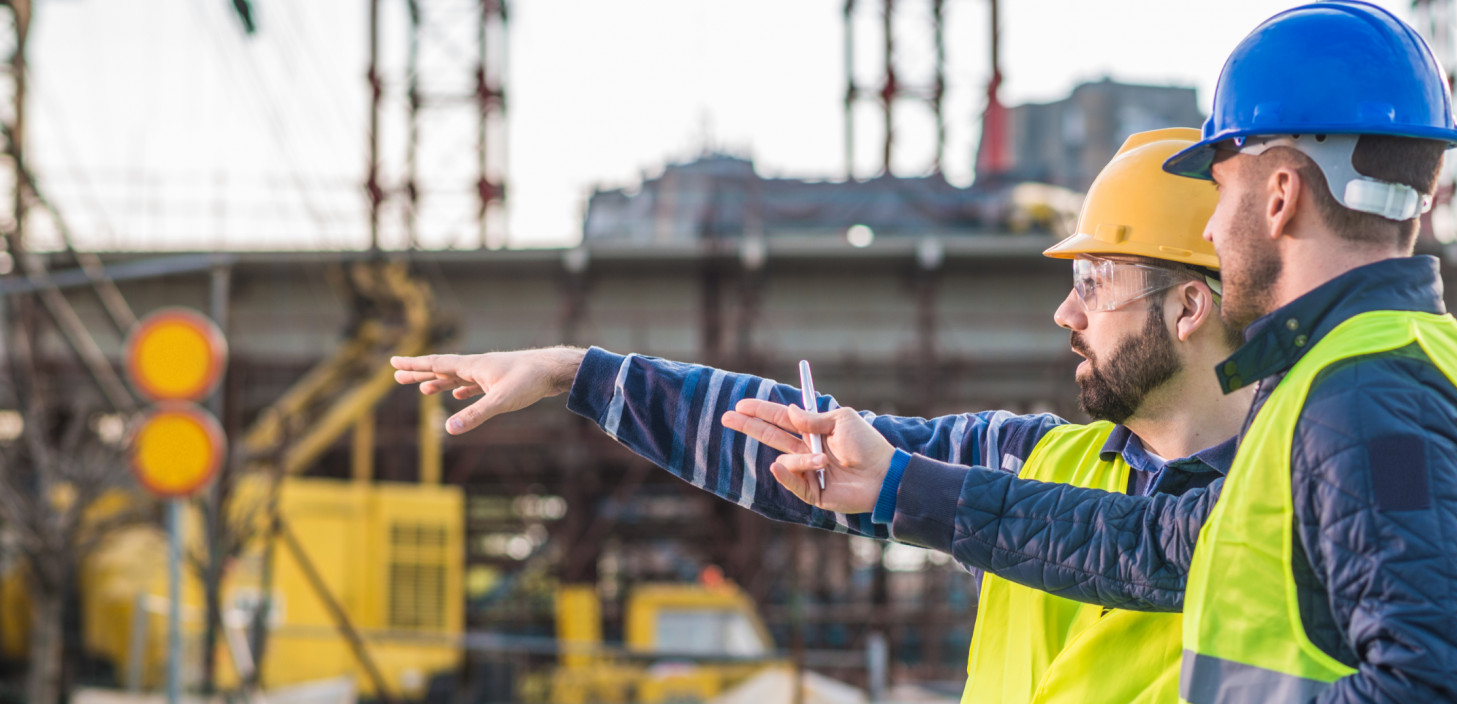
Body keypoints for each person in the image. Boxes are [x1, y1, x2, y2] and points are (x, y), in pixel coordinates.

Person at [728, 3, 1457, 702]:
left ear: (1280, 195)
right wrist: (900, 484)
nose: (1206, 225)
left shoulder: (1370, 397)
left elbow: (1447, 690)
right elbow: (1150, 545)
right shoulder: (1351, 375)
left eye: (1222, 186)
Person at [393, 128, 1249, 703]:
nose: (1066, 315)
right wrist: (577, 373)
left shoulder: (1293, 504)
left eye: (1092, 286)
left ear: (1186, 307)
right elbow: (798, 445)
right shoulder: (1031, 459)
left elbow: (1144, 545)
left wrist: (908, 486)